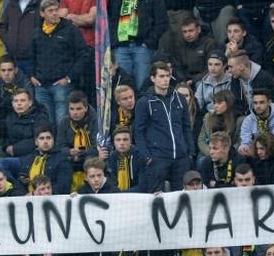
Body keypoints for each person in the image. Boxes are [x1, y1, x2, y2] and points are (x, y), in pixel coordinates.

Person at [135, 61, 194, 192]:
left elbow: (186, 127)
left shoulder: (179, 98)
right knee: (156, 198)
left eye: (167, 76)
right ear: (152, 78)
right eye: (161, 76)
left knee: (181, 198)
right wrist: (147, 157)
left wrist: (190, 152)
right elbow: (139, 132)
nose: (166, 79)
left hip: (181, 157)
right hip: (157, 158)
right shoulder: (144, 102)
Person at [110, 0, 168, 90]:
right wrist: (115, 42)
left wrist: (148, 42)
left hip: (142, 47)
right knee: (123, 86)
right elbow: (113, 19)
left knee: (142, 85)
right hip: (122, 46)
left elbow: (162, 22)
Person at [30, 0, 88, 126]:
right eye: (50, 11)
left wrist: (69, 78)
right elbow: (31, 56)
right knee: (45, 122)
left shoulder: (70, 30)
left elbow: (83, 54)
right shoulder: (36, 32)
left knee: (62, 120)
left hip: (62, 85)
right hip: (41, 85)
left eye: (56, 10)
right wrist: (32, 76)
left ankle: (62, 146)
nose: (55, 13)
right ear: (42, 13)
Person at [160, 15, 219, 84]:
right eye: (184, 32)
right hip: (184, 80)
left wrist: (194, 80)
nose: (188, 35)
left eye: (191, 31)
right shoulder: (179, 45)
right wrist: (183, 81)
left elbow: (212, 68)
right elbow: (177, 67)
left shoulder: (209, 44)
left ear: (199, 29)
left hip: (204, 80)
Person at [19, 125, 72, 194]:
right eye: (41, 138)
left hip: (52, 200)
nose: (45, 141)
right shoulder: (27, 160)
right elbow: (19, 184)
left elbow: (64, 186)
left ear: (53, 141)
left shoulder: (62, 160)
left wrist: (43, 193)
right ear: (36, 142)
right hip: (30, 199)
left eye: (48, 138)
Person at [239, 89, 274, 154]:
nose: (258, 106)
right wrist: (244, 148)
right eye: (255, 103)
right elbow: (245, 141)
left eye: (261, 102)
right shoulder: (248, 120)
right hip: (258, 152)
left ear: (269, 102)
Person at [197, 90, 237, 160]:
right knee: (202, 160)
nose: (215, 106)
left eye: (219, 103)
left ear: (228, 103)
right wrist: (210, 151)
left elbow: (239, 142)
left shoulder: (237, 120)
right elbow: (201, 139)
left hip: (229, 152)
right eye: (215, 103)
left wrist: (224, 152)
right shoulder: (208, 117)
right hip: (210, 150)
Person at [100, 127, 144, 191]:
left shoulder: (140, 156)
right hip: (116, 196)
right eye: (118, 140)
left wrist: (123, 194)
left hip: (136, 196)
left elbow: (142, 186)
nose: (122, 143)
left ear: (131, 141)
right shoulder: (111, 158)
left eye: (125, 139)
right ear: (114, 142)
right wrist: (100, 161)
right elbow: (110, 184)